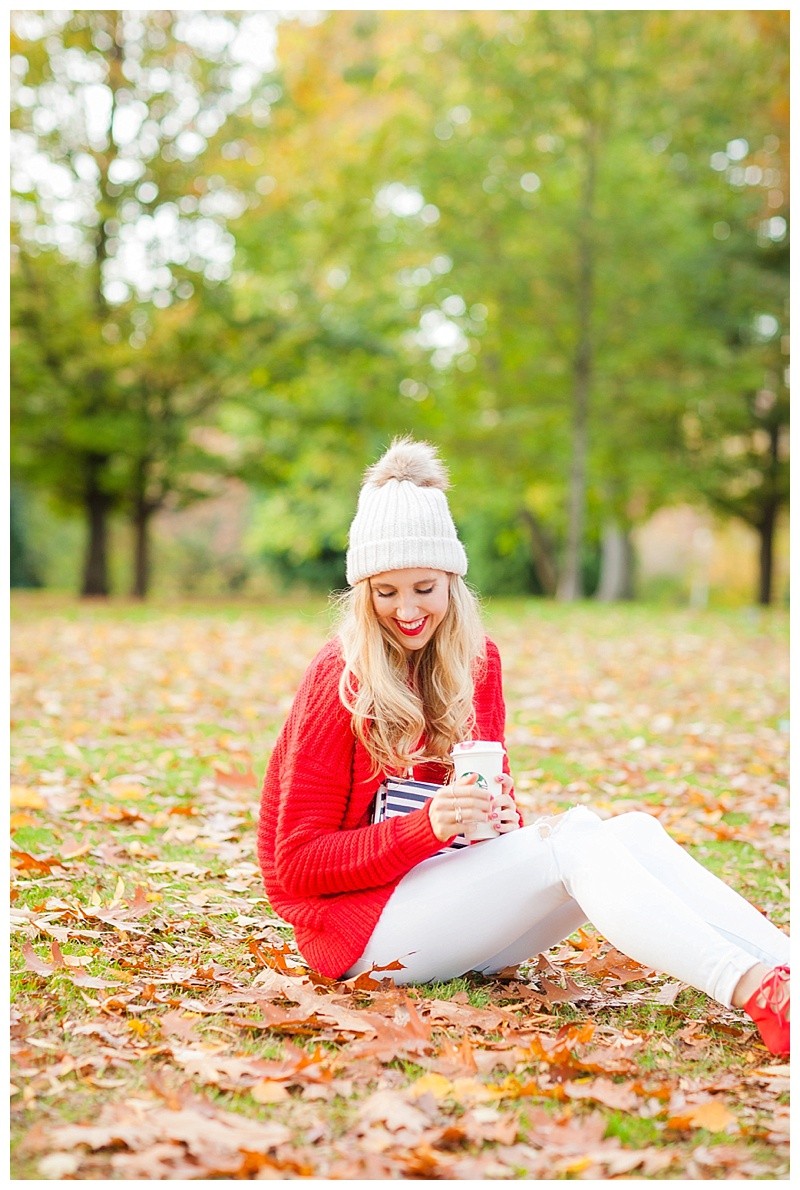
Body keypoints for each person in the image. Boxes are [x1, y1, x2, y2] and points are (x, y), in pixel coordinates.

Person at [257, 437, 790, 1057]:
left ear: (452, 581)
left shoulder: (476, 664)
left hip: (453, 908)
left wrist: (503, 823)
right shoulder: (341, 678)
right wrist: (426, 826)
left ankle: (788, 971)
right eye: (386, 592)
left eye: (424, 587)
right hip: (363, 935)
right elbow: (296, 864)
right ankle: (759, 992)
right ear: (363, 594)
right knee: (575, 836)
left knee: (634, 832)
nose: (406, 610)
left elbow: (493, 827)